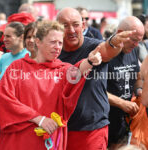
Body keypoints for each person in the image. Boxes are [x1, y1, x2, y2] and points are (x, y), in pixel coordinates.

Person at [0, 20, 103, 150]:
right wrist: (38, 119)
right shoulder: (16, 67)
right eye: (53, 42)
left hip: (49, 141)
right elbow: (5, 99)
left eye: (60, 43)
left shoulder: (63, 69)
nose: (57, 47)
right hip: (18, 140)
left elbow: (78, 70)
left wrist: (90, 61)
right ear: (38, 42)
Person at [56, 7, 137, 150]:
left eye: (75, 24)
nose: (71, 30)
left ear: (83, 25)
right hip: (59, 128)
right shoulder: (53, 51)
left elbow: (108, 49)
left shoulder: (94, 46)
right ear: (56, 27)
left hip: (92, 130)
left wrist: (114, 41)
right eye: (65, 25)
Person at [107, 16, 144, 150]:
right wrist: (122, 103)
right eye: (134, 40)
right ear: (119, 33)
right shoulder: (103, 52)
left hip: (124, 122)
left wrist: (139, 90)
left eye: (139, 41)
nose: (136, 45)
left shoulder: (134, 49)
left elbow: (137, 75)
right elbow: (94, 91)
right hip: (104, 121)